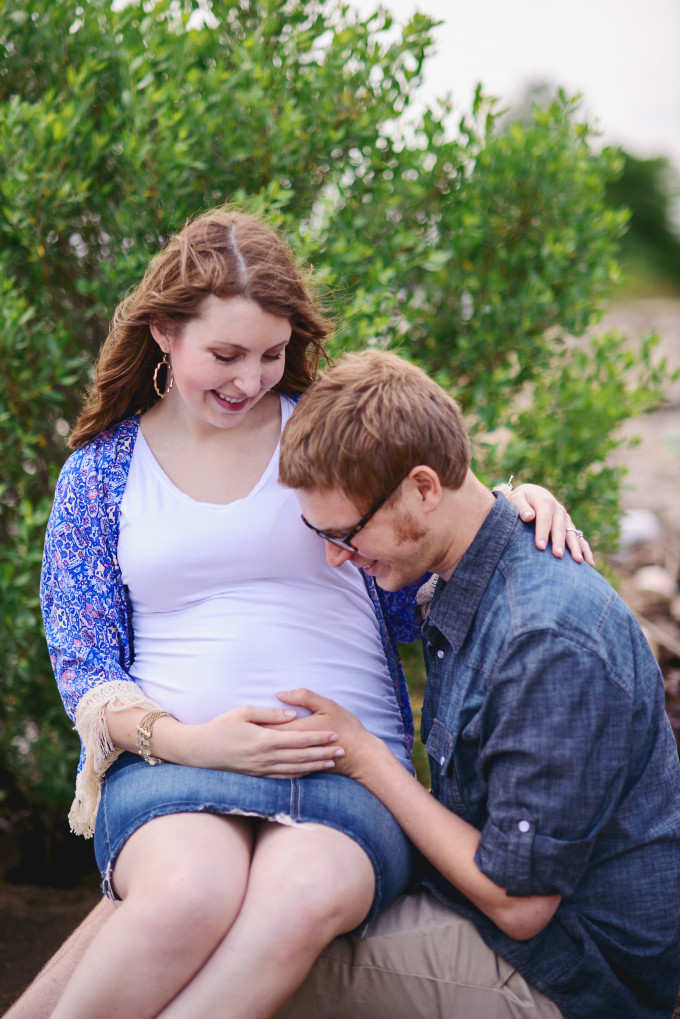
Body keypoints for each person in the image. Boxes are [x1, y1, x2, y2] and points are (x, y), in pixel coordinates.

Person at [23, 209, 587, 1019]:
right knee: (186, 894)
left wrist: (515, 504)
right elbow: (84, 664)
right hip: (174, 764)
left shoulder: (323, 433)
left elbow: (434, 519)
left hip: (346, 766)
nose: (249, 379)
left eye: (271, 354)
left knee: (300, 897)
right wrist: (191, 739)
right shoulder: (101, 472)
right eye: (225, 354)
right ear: (163, 333)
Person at [274, 349, 680, 1019]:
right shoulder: (469, 562)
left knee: (267, 954)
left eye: (346, 534)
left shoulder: (543, 641)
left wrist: (368, 758)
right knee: (230, 918)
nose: (334, 557)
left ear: (425, 489)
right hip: (506, 926)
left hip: (569, 974)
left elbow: (521, 904)